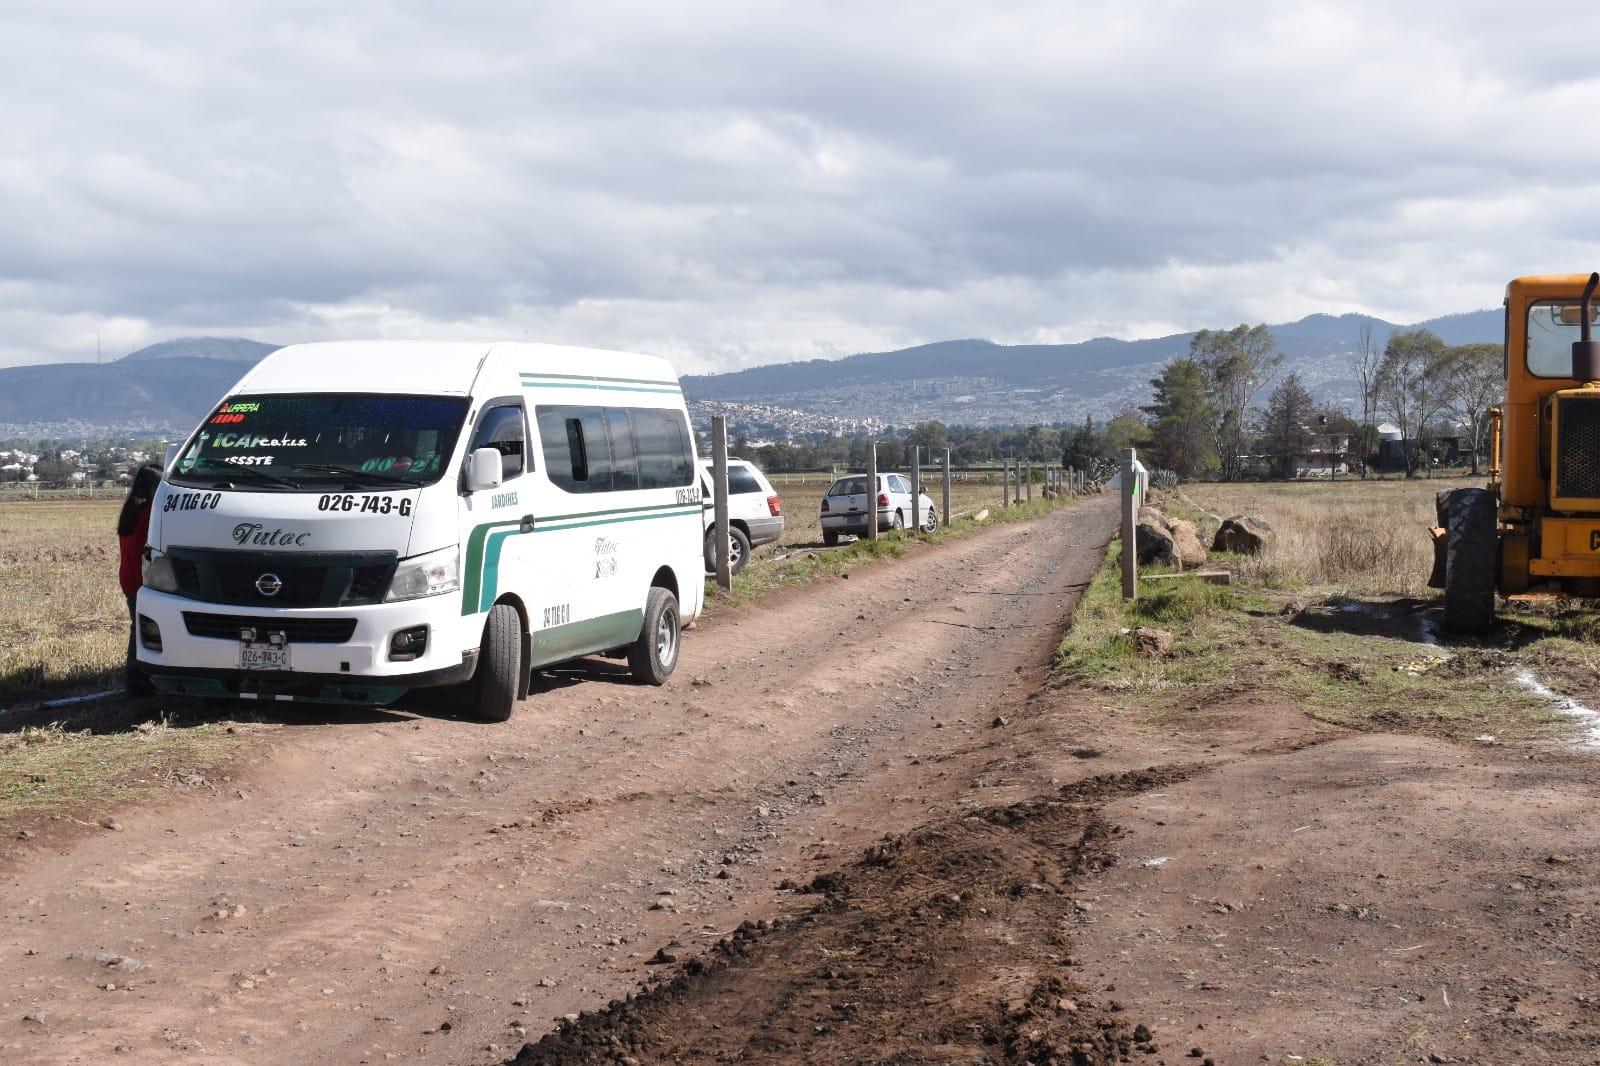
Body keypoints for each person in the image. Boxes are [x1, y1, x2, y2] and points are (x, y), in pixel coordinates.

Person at [117, 463, 162, 697]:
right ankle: (138, 678)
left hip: (127, 576)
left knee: (136, 626)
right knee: (141, 629)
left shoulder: (130, 510)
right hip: (141, 578)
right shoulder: (150, 512)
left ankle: (137, 677)